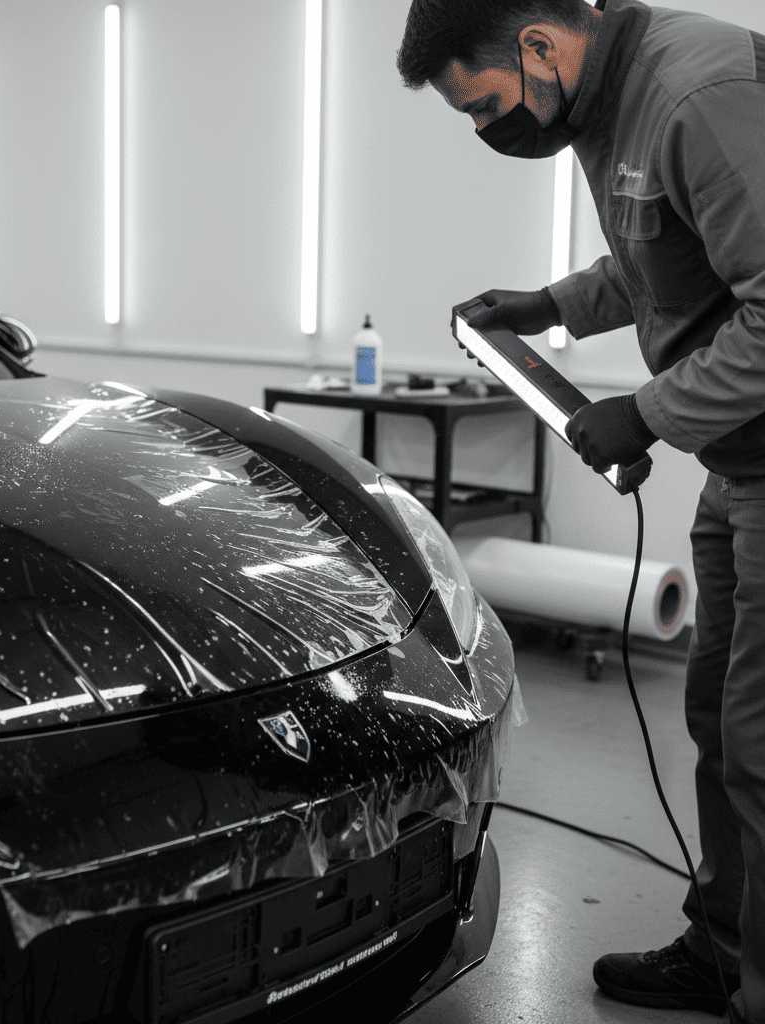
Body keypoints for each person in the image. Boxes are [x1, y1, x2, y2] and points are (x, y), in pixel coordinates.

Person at [396, 0, 765, 1020]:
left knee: (761, 734)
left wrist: (644, 411)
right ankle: (726, 946)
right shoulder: (607, 107)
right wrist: (548, 307)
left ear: (537, 45)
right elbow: (657, 253)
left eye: (482, 107)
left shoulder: (699, 92)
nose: (485, 132)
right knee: (721, 727)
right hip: (740, 462)